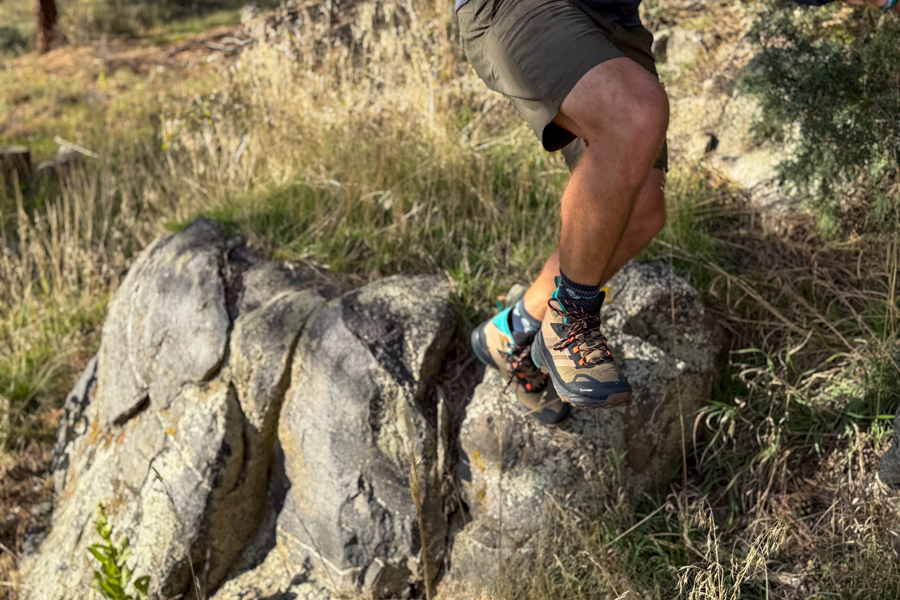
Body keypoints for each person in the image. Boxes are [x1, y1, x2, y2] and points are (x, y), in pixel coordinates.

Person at [464, 0, 898, 425]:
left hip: (609, 17)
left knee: (639, 215)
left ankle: (514, 328)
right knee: (633, 113)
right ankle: (570, 319)